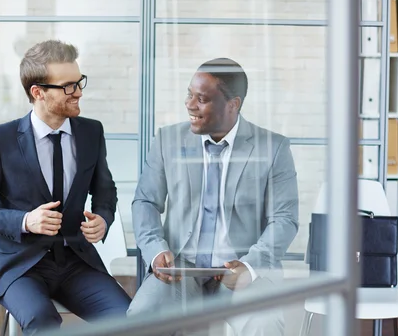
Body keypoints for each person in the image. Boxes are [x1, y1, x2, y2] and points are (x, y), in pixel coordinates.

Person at [0, 40, 131, 335]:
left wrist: (103, 218)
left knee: (129, 319)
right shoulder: (1, 140)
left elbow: (105, 190)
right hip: (21, 266)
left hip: (76, 261)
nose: (78, 92)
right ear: (37, 92)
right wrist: (25, 221)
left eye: (79, 82)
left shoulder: (91, 131)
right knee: (43, 321)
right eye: (68, 86)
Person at [128, 57, 299, 335]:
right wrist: (156, 249)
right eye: (189, 94)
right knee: (140, 318)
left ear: (233, 105)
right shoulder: (167, 141)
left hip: (241, 270)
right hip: (180, 271)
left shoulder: (274, 148)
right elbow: (145, 201)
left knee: (265, 324)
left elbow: (285, 220)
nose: (190, 104)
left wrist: (248, 266)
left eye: (202, 98)